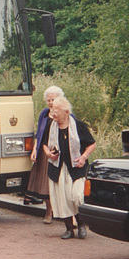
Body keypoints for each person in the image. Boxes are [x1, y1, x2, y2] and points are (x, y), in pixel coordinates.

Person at [43, 97, 96, 239]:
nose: (53, 113)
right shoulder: (51, 125)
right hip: (58, 166)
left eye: (56, 111)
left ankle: (81, 225)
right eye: (52, 110)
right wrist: (48, 153)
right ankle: (68, 229)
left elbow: (92, 144)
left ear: (66, 112)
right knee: (63, 198)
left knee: (76, 196)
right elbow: (44, 143)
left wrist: (84, 157)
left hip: (76, 166)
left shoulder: (78, 125)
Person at [24, 86, 65, 224]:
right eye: (48, 100)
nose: (50, 103)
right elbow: (39, 133)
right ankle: (49, 211)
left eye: (53, 99)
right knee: (44, 183)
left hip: (58, 152)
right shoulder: (44, 113)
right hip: (43, 151)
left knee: (59, 183)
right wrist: (35, 149)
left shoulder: (65, 113)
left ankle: (68, 215)